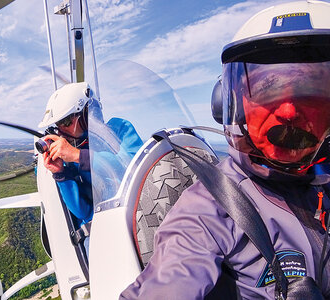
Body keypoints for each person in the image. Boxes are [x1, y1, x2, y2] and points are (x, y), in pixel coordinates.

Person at [120, 1, 330, 299]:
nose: (287, 110)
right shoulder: (208, 209)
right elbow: (172, 280)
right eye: (267, 88)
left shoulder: (322, 180)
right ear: (231, 104)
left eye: (310, 90)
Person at [39, 82, 143, 251]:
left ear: (87, 113)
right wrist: (61, 174)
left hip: (136, 218)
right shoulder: (71, 154)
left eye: (65, 122)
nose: (60, 131)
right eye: (57, 126)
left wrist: (79, 156)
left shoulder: (119, 129)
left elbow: (132, 166)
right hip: (102, 232)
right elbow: (83, 212)